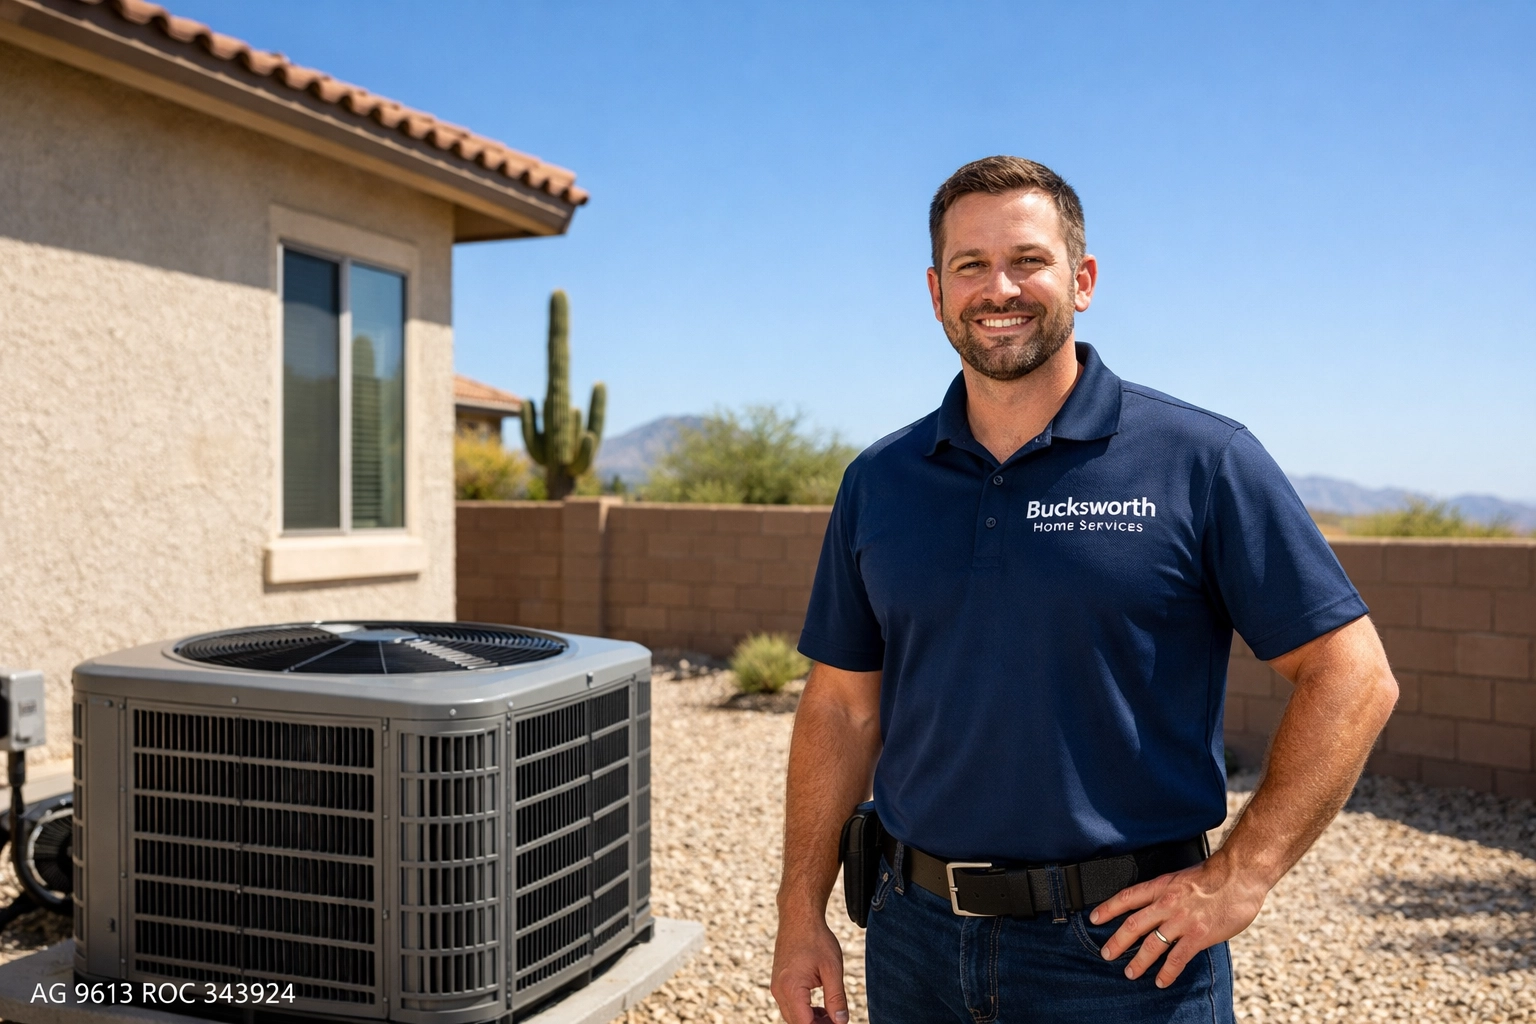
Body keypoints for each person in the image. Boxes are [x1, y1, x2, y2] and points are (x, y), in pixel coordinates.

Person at [769, 156, 1399, 1024]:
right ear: (935, 291)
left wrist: (1240, 876)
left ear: (1083, 279)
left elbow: (1353, 673)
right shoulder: (880, 480)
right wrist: (799, 911)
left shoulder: (1200, 459)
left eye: (1028, 259)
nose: (1001, 288)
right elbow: (841, 706)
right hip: (912, 941)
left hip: (1120, 960)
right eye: (970, 265)